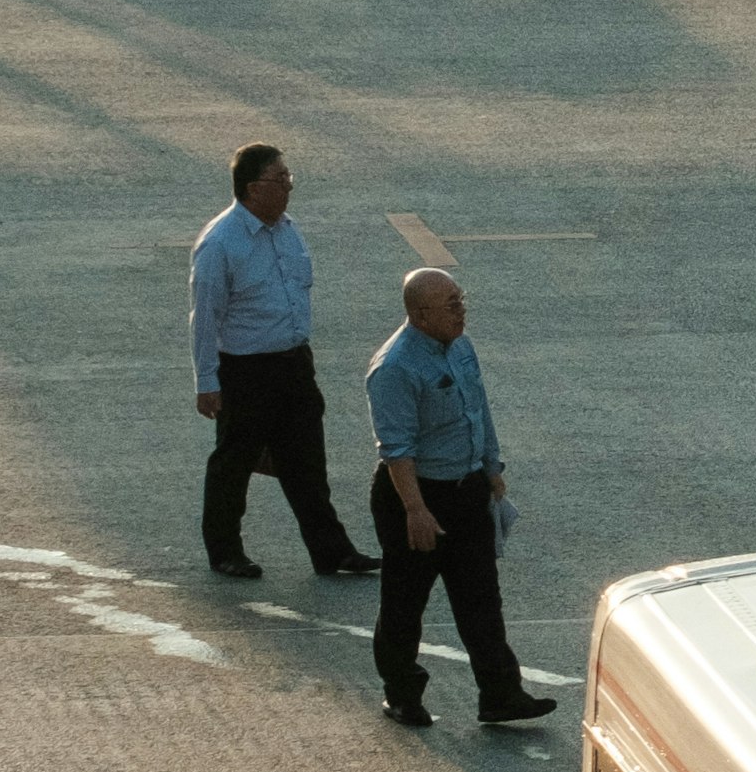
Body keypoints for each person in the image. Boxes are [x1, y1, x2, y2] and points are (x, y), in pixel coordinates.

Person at [364, 267, 556, 735]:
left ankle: (500, 695)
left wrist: (491, 468)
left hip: (466, 488)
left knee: (481, 600)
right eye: (450, 305)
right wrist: (415, 510)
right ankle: (402, 694)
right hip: (417, 496)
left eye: (460, 299)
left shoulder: (461, 346)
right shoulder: (395, 368)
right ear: (419, 314)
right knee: (405, 603)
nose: (461, 310)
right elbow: (397, 448)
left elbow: (478, 407)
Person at [190, 141, 377, 586]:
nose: (289, 186)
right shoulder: (219, 244)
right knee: (233, 464)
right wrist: (206, 381)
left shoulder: (287, 229)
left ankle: (331, 551)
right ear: (254, 189)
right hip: (246, 370)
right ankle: (225, 551)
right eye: (281, 178)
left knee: (307, 463)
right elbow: (204, 317)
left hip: (294, 364)